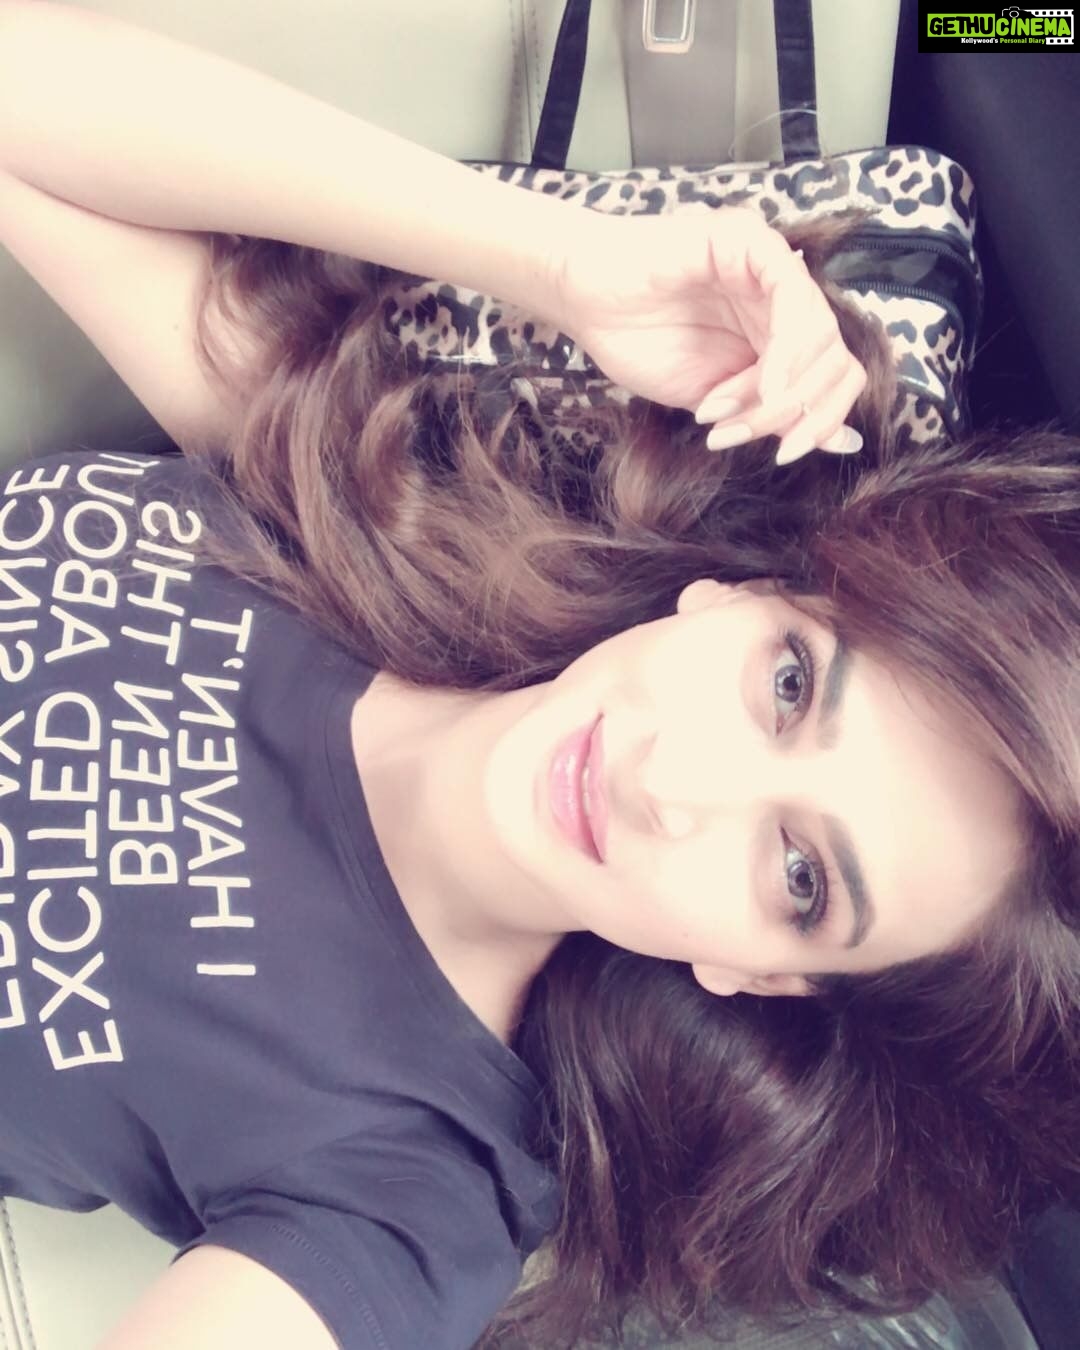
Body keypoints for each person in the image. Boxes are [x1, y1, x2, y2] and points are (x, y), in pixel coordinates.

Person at [2, 6, 1080, 1350]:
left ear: (763, 974)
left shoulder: (409, 1189)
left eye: (800, 876)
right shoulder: (387, 511)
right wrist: (561, 263)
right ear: (744, 596)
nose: (673, 784)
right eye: (790, 687)